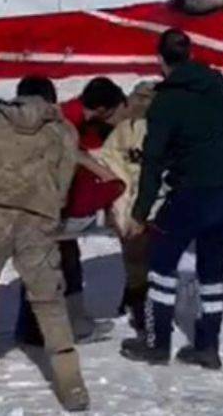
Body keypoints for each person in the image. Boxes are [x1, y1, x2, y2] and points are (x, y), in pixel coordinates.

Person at [0, 76, 89, 412]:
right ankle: (71, 384)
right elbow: (64, 181)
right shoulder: (62, 128)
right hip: (37, 220)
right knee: (48, 301)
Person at [120, 29, 223, 370]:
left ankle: (158, 345)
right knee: (212, 271)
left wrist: (140, 211)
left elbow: (152, 162)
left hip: (194, 193)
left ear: (160, 60)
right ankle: (209, 347)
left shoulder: (166, 102)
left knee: (161, 264)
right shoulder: (216, 85)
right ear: (189, 54)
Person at [14, 76, 124, 346]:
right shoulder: (64, 121)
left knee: (56, 258)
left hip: (39, 201)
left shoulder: (68, 116)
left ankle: (44, 326)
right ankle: (58, 327)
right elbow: (71, 154)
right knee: (51, 261)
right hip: (47, 203)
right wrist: (106, 178)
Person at [94, 80, 157, 336]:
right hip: (133, 197)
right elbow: (112, 160)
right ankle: (137, 299)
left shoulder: (153, 127)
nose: (141, 104)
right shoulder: (124, 129)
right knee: (136, 253)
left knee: (140, 255)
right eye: (138, 98)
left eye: (146, 99)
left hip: (146, 198)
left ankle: (140, 301)